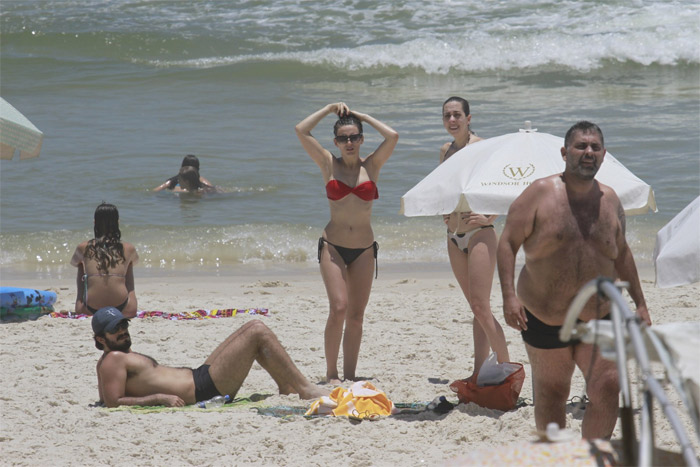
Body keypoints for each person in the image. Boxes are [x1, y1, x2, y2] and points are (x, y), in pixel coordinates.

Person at [497, 121, 650, 439]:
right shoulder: (539, 193)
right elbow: (507, 243)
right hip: (544, 314)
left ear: (604, 154)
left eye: (595, 147)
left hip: (599, 315)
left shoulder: (610, 201)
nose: (588, 152)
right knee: (553, 394)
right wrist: (509, 297)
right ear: (565, 152)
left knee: (609, 387)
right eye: (581, 146)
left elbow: (621, 254)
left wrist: (641, 303)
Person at [295, 102, 398, 384]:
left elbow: (393, 136)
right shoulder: (328, 162)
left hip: (364, 249)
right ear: (336, 142)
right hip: (333, 246)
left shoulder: (372, 165)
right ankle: (331, 375)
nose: (349, 143)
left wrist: (361, 115)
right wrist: (329, 109)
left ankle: (350, 376)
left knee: (356, 316)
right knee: (339, 308)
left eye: (354, 137)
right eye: (344, 138)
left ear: (362, 139)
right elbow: (301, 130)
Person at [92, 307, 328, 407]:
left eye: (124, 324)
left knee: (250, 329)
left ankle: (287, 387)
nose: (123, 331)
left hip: (199, 376)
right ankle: (305, 389)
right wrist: (160, 398)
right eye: (115, 329)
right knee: (257, 332)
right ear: (101, 339)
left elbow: (106, 394)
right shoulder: (112, 360)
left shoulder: (115, 358)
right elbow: (113, 402)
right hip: (204, 389)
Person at [439, 96, 510, 381]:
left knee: (482, 307)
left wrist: (491, 217)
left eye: (457, 115)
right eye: (447, 116)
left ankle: (507, 370)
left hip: (479, 234)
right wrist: (443, 211)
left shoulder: (482, 147)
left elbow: (507, 183)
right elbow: (443, 187)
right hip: (453, 236)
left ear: (469, 118)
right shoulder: (445, 150)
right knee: (476, 309)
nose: (452, 120)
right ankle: (479, 372)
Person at [70, 202, 139, 317]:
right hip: (125, 309)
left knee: (81, 265)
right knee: (129, 263)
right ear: (117, 223)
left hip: (90, 309)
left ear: (94, 222)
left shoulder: (83, 247)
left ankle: (80, 302)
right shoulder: (128, 248)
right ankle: (130, 300)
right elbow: (135, 261)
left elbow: (74, 262)